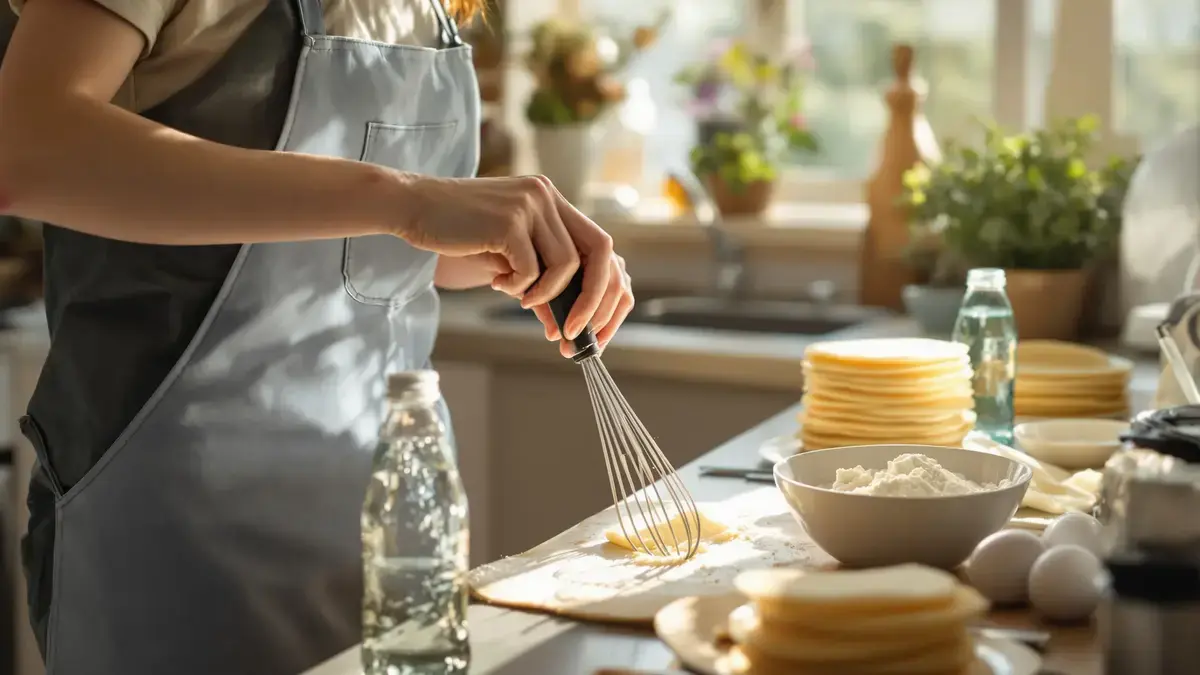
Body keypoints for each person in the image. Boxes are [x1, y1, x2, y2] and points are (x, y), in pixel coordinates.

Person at [0, 0, 635, 673]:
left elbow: (364, 246)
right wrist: (407, 199)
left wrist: (500, 240)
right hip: (186, 536)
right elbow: (24, 147)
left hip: (394, 523)